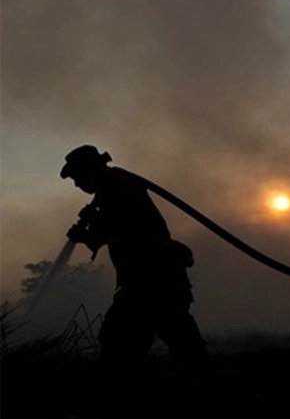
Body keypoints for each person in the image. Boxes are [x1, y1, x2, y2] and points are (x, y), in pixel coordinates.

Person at [60, 144, 207, 375]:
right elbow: (119, 225)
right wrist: (94, 221)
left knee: (120, 345)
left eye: (77, 177)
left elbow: (125, 229)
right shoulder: (112, 187)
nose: (76, 184)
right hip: (149, 278)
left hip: (153, 278)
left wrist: (87, 234)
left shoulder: (118, 187)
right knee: (176, 337)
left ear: (90, 170)